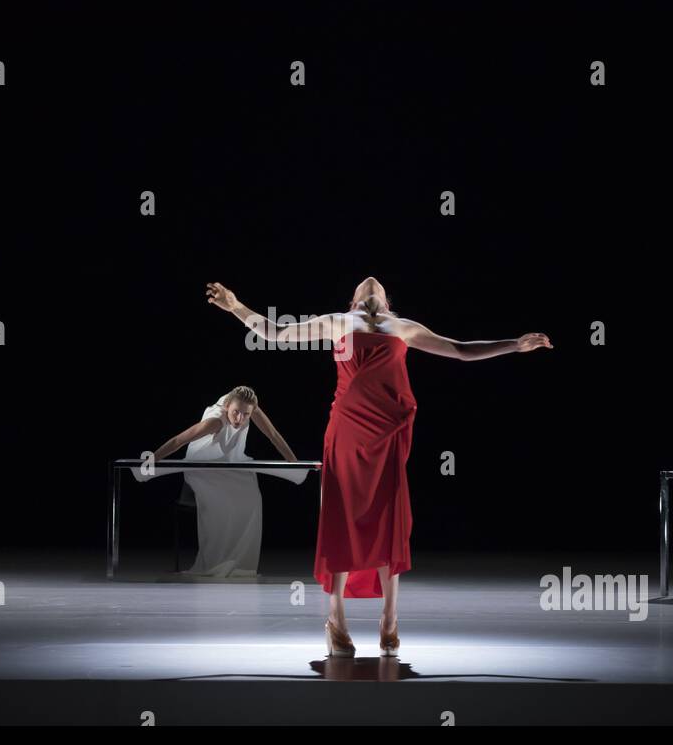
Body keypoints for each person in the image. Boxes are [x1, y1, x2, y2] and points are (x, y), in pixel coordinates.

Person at [207, 277, 551, 657]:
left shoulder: (404, 328)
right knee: (342, 515)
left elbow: (460, 350)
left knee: (389, 517)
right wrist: (237, 306)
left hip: (387, 433)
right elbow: (275, 333)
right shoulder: (336, 322)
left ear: (387, 303)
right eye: (363, 287)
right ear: (354, 301)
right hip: (347, 430)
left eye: (379, 287)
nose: (371, 284)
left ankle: (389, 618)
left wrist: (514, 345)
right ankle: (336, 618)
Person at [151, 386, 297, 578]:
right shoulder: (215, 422)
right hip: (202, 465)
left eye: (245, 415)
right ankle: (215, 560)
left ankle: (238, 561)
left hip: (228, 460)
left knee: (252, 496)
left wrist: (295, 464)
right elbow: (179, 440)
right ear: (227, 405)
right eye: (236, 412)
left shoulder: (251, 408)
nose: (240, 419)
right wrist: (151, 460)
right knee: (222, 503)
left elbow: (274, 436)